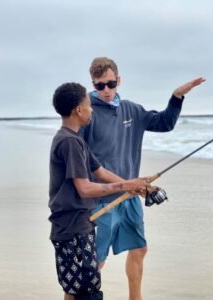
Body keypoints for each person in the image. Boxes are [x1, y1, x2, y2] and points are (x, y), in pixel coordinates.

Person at [80, 57, 206, 300]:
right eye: (99, 86)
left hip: (130, 197)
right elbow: (80, 158)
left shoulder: (131, 110)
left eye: (110, 83)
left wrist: (176, 97)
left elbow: (165, 123)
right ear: (93, 85)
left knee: (139, 249)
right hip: (102, 199)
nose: (106, 90)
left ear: (119, 80)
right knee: (97, 260)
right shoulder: (87, 113)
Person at [48, 82, 154, 300]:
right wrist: (125, 186)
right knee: (82, 292)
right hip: (70, 229)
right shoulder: (69, 143)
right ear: (79, 110)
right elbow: (85, 188)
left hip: (82, 225)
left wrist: (136, 185)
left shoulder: (77, 140)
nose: (92, 109)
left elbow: (101, 171)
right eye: (89, 105)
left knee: (84, 289)